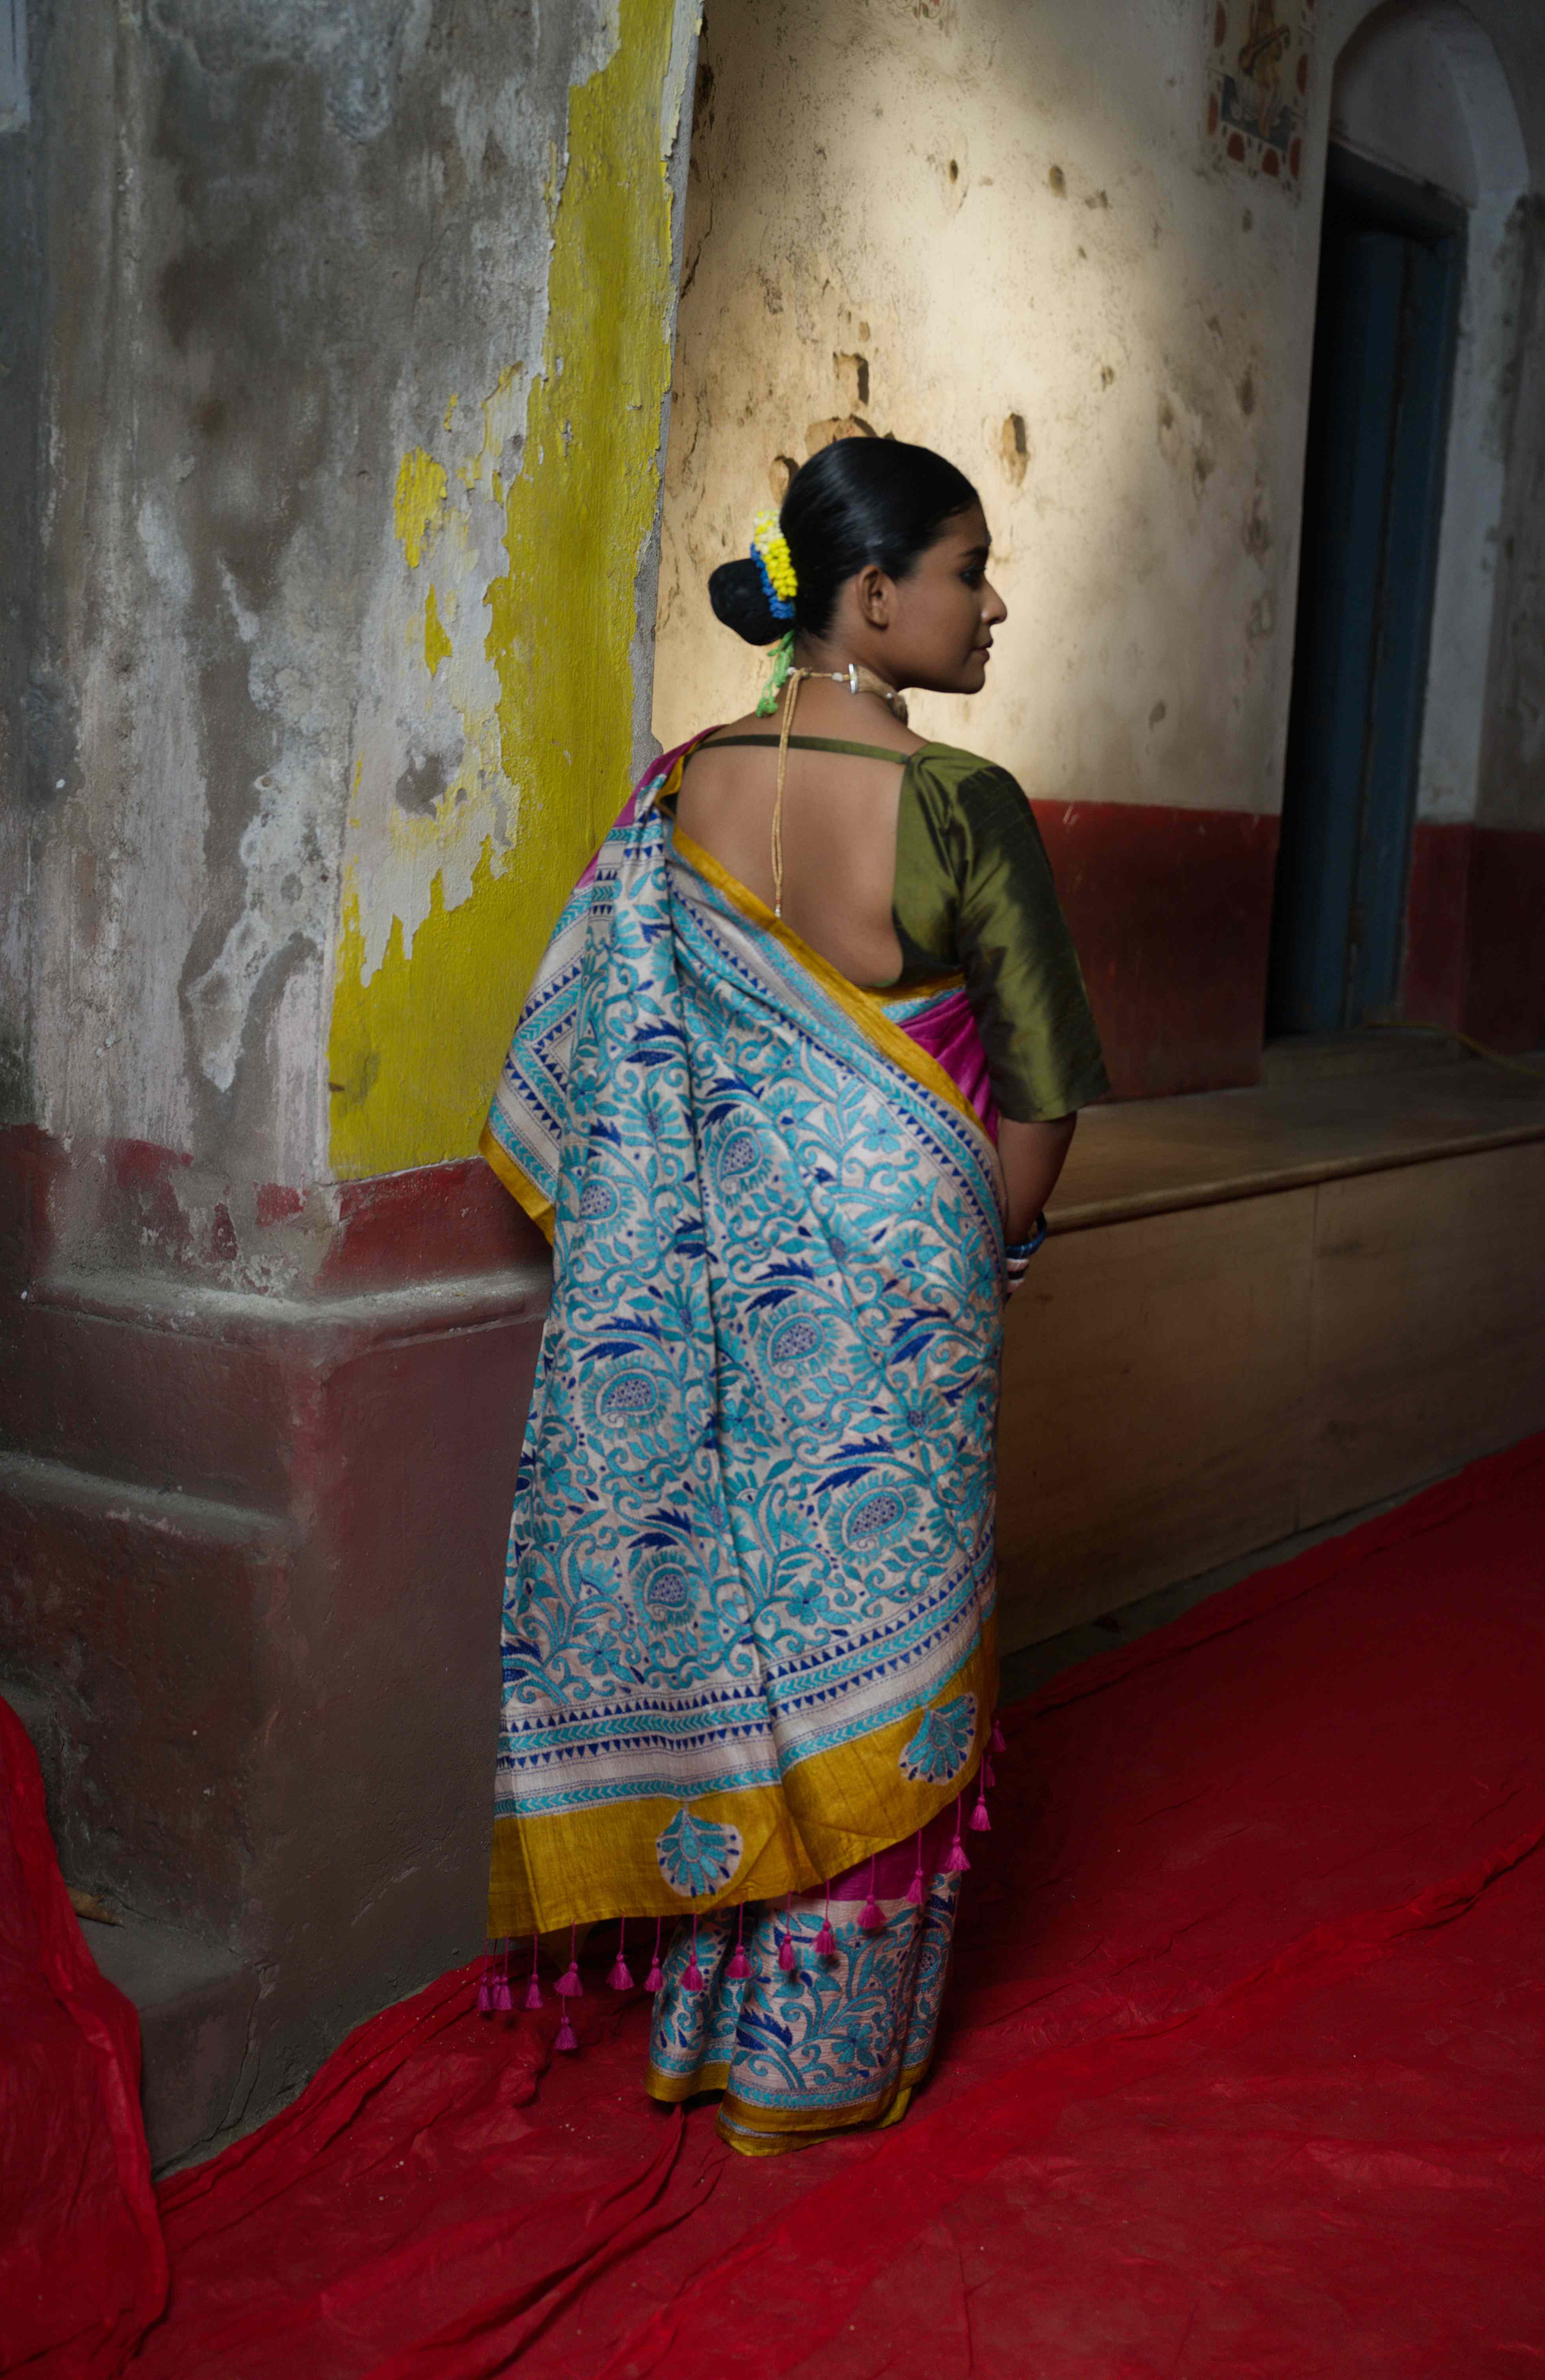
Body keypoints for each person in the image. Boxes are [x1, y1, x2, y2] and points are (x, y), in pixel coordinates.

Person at [481, 437, 1108, 2154]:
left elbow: (587, 1061)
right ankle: (819, 2060)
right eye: (970, 571)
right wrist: (990, 1250)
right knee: (886, 1628)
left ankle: (708, 2028)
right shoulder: (960, 801)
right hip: (913, 1258)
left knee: (761, 1619)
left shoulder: (679, 788)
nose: (991, 608)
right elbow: (1044, 1092)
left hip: (712, 1263)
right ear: (875, 592)